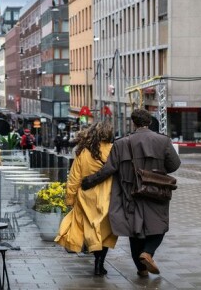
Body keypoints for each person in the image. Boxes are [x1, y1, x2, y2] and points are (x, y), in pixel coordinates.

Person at [81, 109, 181, 277]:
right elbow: (174, 165)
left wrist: (89, 181)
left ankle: (141, 269)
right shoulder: (163, 141)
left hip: (130, 193)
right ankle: (148, 253)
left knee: (136, 231)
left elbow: (109, 169)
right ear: (149, 122)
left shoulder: (121, 143)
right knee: (159, 226)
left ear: (133, 123)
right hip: (156, 191)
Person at [55, 121, 117, 276]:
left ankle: (96, 261)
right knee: (105, 232)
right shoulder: (114, 151)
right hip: (108, 196)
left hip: (87, 196)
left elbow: (74, 178)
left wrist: (70, 199)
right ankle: (99, 263)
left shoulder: (84, 152)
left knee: (92, 229)